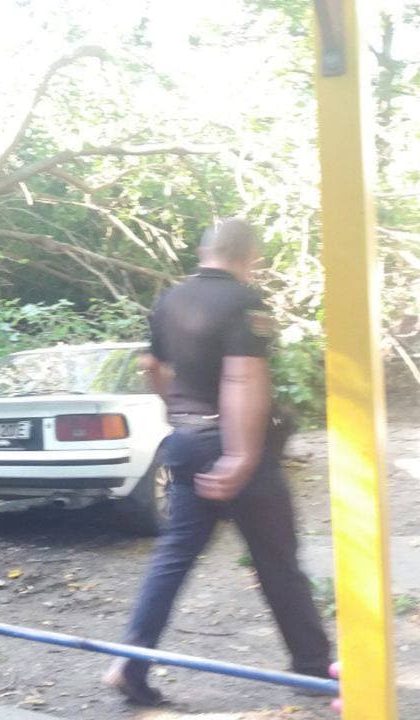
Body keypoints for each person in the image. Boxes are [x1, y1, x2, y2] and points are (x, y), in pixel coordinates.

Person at [103, 218, 331, 705]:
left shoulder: (170, 301)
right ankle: (312, 667)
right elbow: (242, 379)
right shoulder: (245, 302)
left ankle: (131, 663)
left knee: (173, 557)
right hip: (232, 446)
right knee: (277, 560)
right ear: (250, 256)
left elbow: (152, 367)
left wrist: (178, 415)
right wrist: (242, 454)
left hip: (187, 440)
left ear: (205, 250)